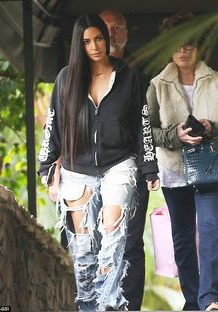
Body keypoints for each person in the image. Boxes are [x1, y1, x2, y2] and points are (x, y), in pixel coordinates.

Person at [38, 13, 159, 311]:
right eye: (87, 41)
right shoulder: (67, 78)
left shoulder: (128, 75)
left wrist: (149, 166)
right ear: (79, 45)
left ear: (106, 39)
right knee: (83, 250)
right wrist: (46, 163)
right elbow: (53, 124)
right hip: (77, 170)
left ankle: (109, 306)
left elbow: (142, 123)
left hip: (119, 164)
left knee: (113, 236)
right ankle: (89, 307)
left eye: (99, 38)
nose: (95, 46)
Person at [147, 11, 218, 311]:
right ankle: (193, 300)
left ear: (199, 47)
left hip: (209, 169)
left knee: (212, 227)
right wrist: (175, 135)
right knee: (183, 238)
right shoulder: (157, 85)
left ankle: (209, 298)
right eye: (177, 44)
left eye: (189, 43)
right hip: (174, 170)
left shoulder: (215, 81)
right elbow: (147, 131)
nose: (183, 50)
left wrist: (212, 128)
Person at [99, 9, 150, 310]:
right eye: (106, 28)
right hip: (92, 171)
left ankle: (129, 307)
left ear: (127, 33)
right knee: (97, 241)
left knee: (130, 243)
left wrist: (148, 167)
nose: (113, 33)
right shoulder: (80, 72)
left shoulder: (141, 70)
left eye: (118, 28)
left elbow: (147, 121)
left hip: (134, 168)